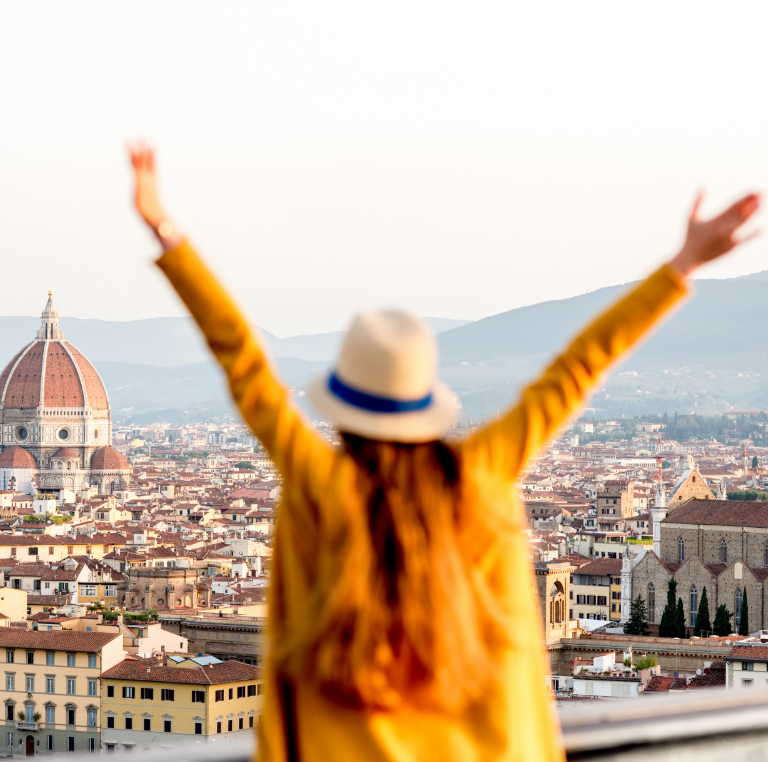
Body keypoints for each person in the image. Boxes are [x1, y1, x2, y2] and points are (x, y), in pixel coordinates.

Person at [128, 143, 758, 762]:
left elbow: (245, 365)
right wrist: (681, 266)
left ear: (344, 412)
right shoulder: (478, 473)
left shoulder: (321, 480)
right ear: (424, 404)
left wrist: (166, 232)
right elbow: (575, 372)